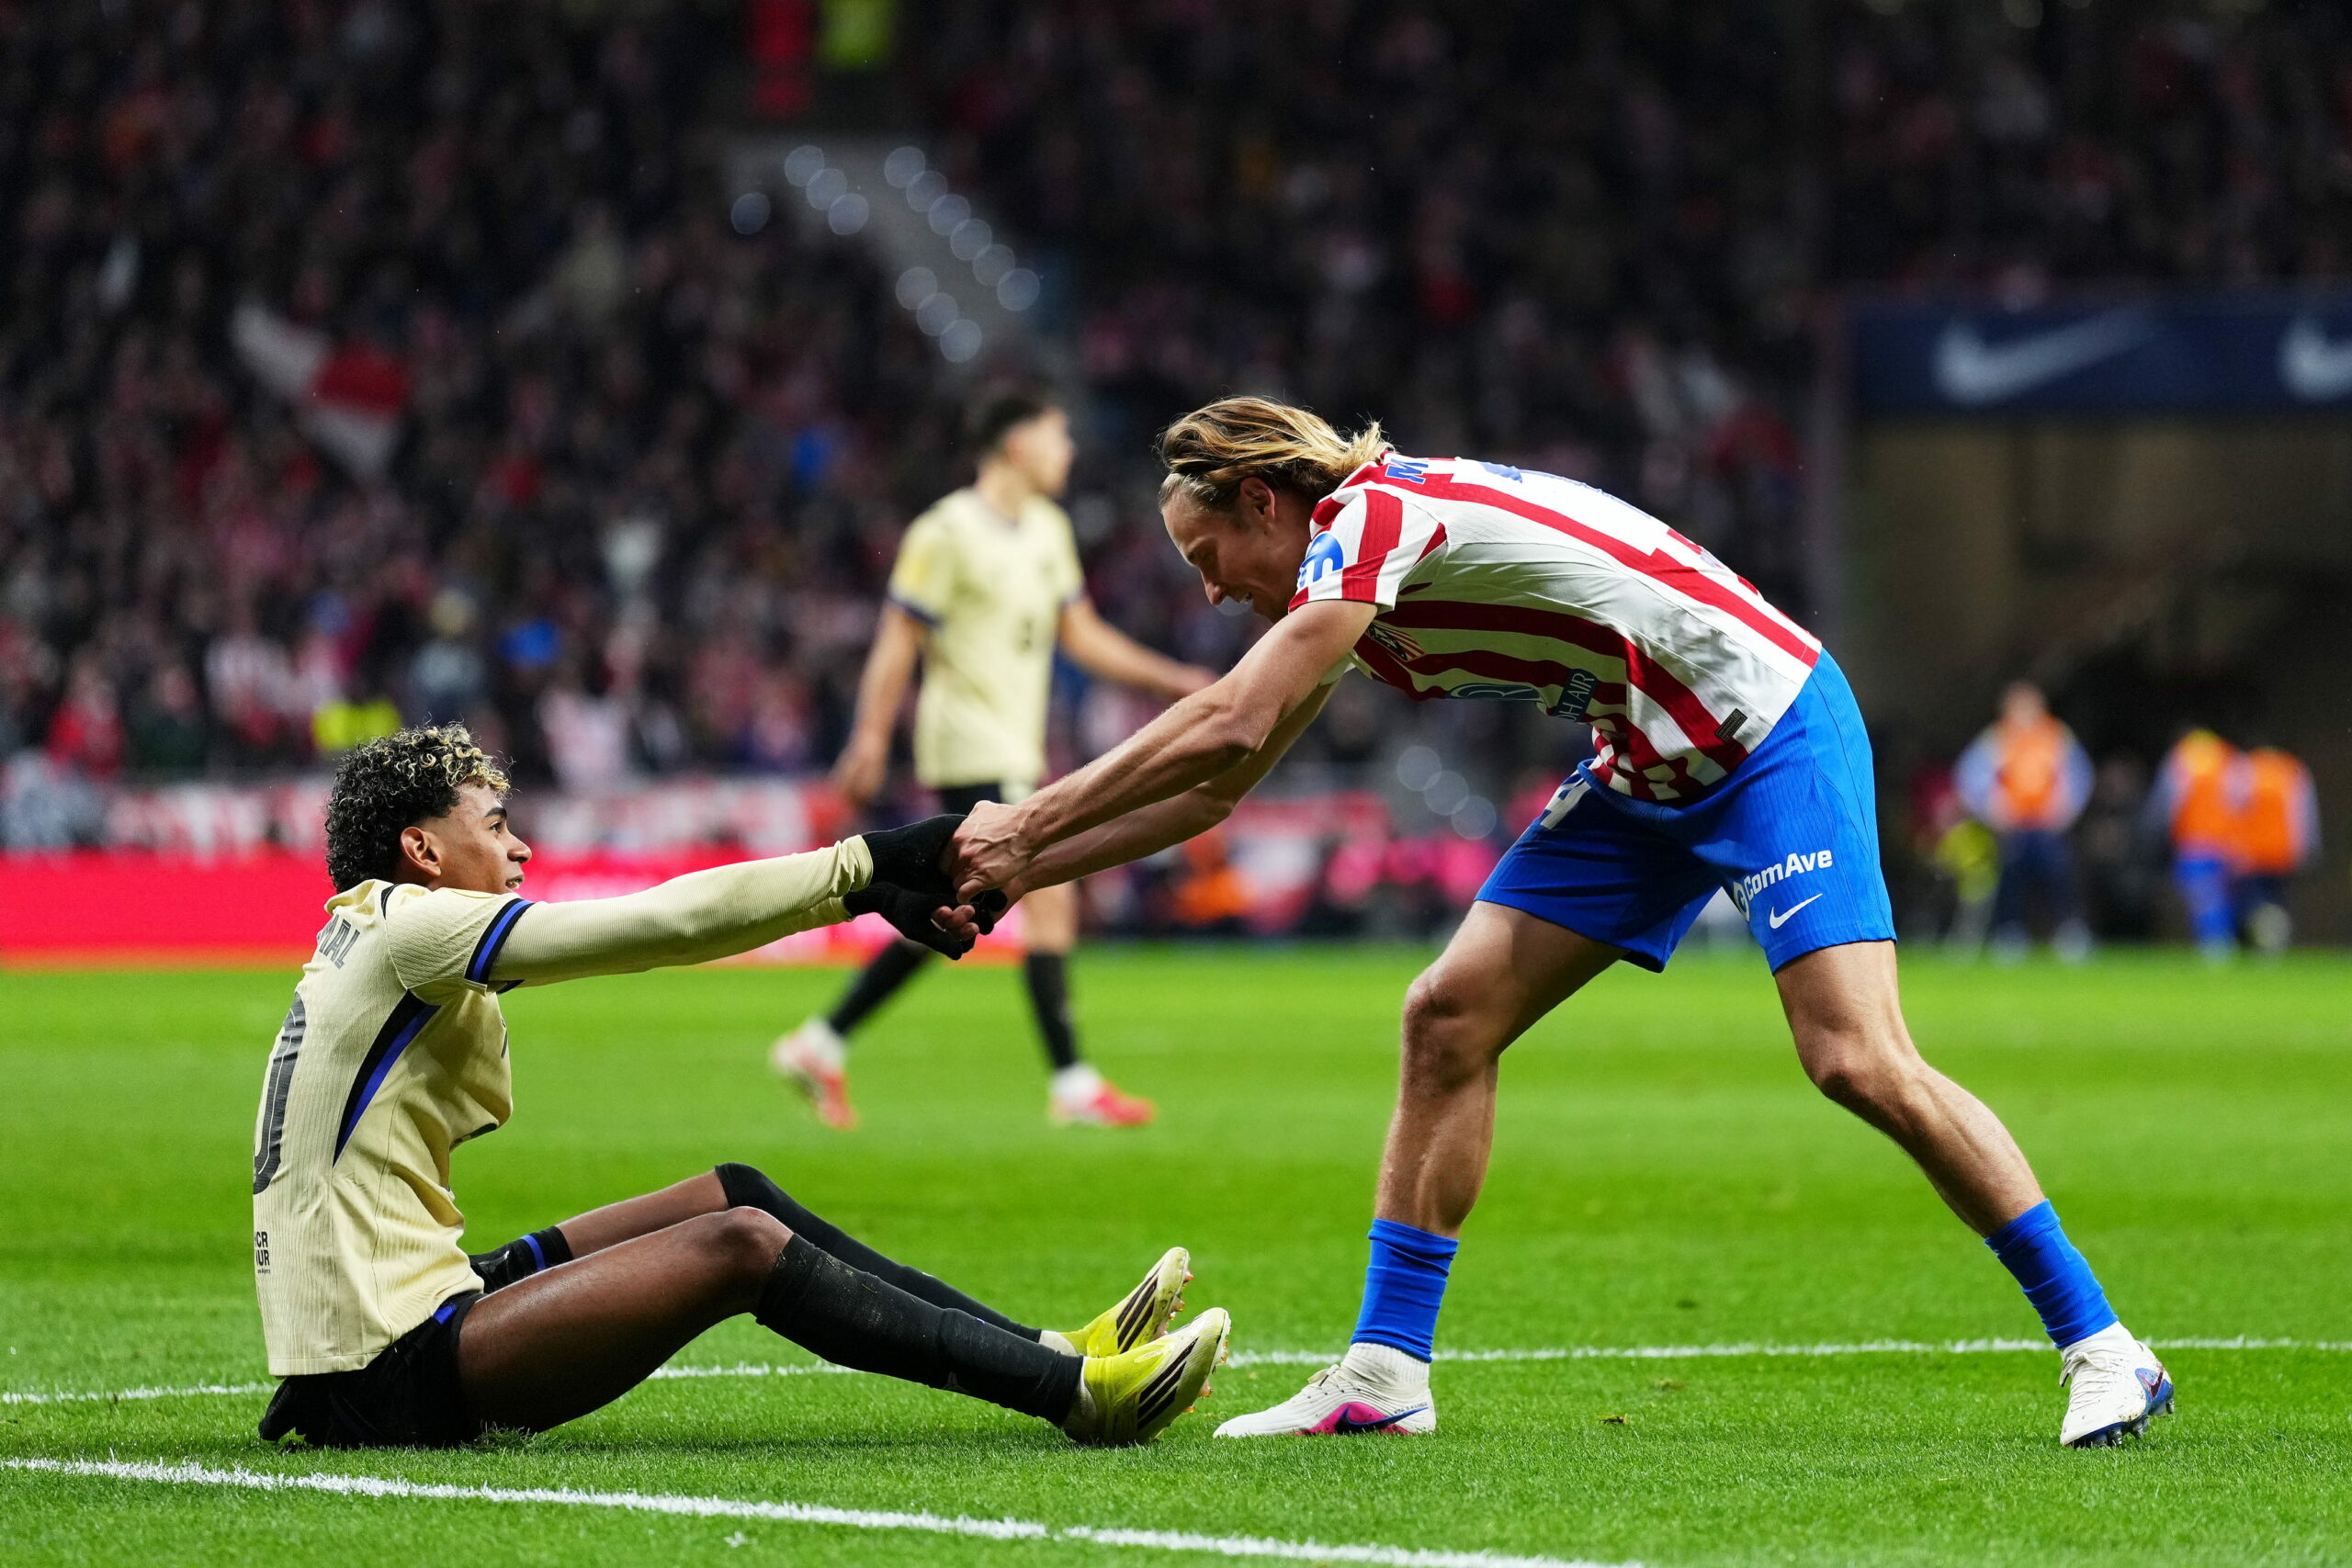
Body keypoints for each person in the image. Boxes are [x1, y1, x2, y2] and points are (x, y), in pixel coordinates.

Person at [946, 398, 2169, 1450]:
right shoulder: (1346, 579)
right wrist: (1022, 864)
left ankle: (2105, 1345)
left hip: (1769, 734)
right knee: (1446, 1014)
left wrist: (1025, 821)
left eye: (1209, 556)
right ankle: (1384, 1373)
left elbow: (1226, 722)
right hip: (1644, 765)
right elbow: (1220, 788)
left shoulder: (1369, 520)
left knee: (1854, 1056)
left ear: (1265, 503)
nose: (1211, 590)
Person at [251, 724, 1227, 1450]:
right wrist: (868, 863)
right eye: (497, 827)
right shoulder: (412, 929)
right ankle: (1077, 1395)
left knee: (731, 1191)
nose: (522, 850)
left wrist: (870, 894)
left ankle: (1054, 1346)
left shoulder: (372, 933)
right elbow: (664, 924)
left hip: (389, 1323)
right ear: (422, 851)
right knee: (740, 1245)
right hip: (386, 1368)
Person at [772, 391, 1213, 1130]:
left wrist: (1174, 681)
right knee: (1046, 891)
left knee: (955, 911)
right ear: (1015, 443)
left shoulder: (1047, 529)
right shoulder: (945, 531)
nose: (1068, 449)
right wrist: (871, 737)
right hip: (969, 743)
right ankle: (1072, 1083)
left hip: (1016, 745)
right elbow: (898, 638)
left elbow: (1082, 634)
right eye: (1056, 434)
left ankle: (820, 1042)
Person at [1953, 682, 2093, 962]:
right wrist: (1992, 808)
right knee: (2011, 877)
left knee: (2058, 873)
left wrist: (2065, 809)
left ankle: (2068, 930)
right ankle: (2010, 932)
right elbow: (1969, 777)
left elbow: (2078, 775)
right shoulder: (1996, 738)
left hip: (2047, 825)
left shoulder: (2055, 735)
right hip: (2013, 826)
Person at [2148, 728, 2243, 963]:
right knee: (2220, 895)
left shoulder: (2182, 757)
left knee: (2202, 895)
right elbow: (2242, 800)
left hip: (2193, 841)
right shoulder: (2228, 755)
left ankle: (2214, 943)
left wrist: (2157, 828)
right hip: (2225, 842)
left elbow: (2168, 799)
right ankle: (2222, 941)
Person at [2230, 742, 2319, 956]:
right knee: (2276, 900)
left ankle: (2264, 943)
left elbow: (2233, 809)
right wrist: (2307, 847)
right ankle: (2272, 943)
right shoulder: (2292, 770)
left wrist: (2232, 846)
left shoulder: (2246, 769)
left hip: (2253, 852)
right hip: (2282, 851)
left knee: (2256, 901)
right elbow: (2304, 814)